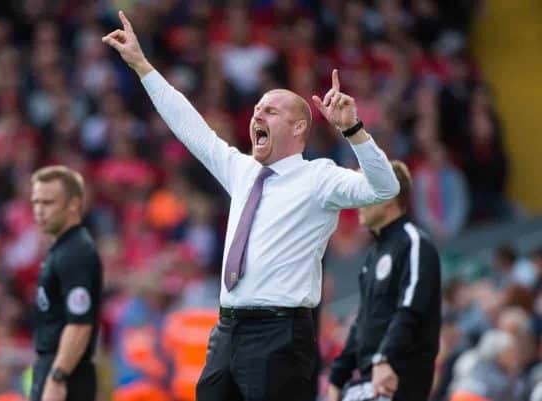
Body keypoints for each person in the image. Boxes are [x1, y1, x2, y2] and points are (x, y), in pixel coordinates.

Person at [103, 11, 400, 401]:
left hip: (282, 332)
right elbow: (190, 126)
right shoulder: (241, 171)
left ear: (298, 128)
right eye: (257, 109)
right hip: (228, 328)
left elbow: (384, 188)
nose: (257, 114)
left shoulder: (319, 177)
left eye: (271, 111)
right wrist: (143, 66)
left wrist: (353, 131)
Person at [327, 161, 441, 401]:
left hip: (396, 379)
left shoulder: (414, 243)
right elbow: (363, 320)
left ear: (388, 195)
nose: (357, 200)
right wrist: (338, 377)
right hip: (368, 381)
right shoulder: (374, 253)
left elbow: (411, 309)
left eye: (365, 190)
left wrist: (385, 358)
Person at [30, 166, 103, 401]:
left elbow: (80, 323)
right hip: (54, 365)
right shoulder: (62, 249)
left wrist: (58, 376)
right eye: (36, 202)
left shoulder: (75, 253)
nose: (39, 211)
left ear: (73, 204)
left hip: (68, 373)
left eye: (48, 203)